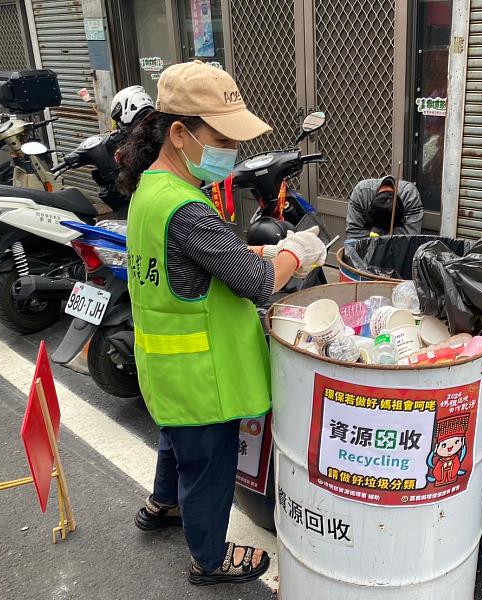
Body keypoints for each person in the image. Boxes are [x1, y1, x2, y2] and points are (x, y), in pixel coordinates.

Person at [117, 61, 326, 586]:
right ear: (180, 133)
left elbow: (194, 259)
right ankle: (209, 559)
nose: (231, 151)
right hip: (202, 373)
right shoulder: (188, 208)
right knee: (207, 469)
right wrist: (296, 253)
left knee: (175, 440)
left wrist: (252, 247)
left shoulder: (153, 189)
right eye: (223, 137)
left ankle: (162, 505)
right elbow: (257, 282)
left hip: (166, 364)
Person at [346, 175, 424, 240]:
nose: (381, 233)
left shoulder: (409, 195)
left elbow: (410, 239)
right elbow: (353, 235)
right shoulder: (361, 193)